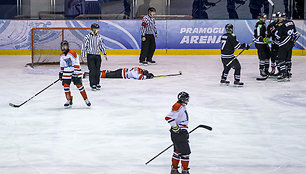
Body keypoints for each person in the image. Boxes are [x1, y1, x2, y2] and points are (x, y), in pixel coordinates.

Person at [59, 40, 91, 108]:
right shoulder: (62, 55)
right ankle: (69, 100)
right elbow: (62, 65)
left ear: (68, 46)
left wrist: (74, 73)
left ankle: (86, 100)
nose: (64, 48)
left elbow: (75, 64)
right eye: (63, 46)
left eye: (65, 46)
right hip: (67, 72)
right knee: (66, 86)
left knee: (79, 86)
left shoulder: (72, 53)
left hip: (75, 72)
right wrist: (61, 73)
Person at [165, 92, 191, 174]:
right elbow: (168, 117)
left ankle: (174, 170)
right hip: (179, 133)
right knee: (185, 152)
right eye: (186, 98)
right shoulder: (178, 106)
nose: (187, 100)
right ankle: (184, 171)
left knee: (177, 151)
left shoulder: (181, 106)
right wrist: (176, 129)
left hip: (179, 132)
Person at [82, 23, 108, 90]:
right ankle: (92, 84)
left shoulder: (99, 37)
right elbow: (84, 46)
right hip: (90, 55)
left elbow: (101, 45)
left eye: (98, 29)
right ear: (93, 29)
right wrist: (84, 55)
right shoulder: (87, 37)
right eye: (96, 29)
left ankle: (97, 83)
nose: (97, 30)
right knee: (92, 70)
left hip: (97, 56)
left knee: (97, 70)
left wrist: (104, 53)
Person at [274, 12, 297, 81]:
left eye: (280, 17)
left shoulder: (281, 25)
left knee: (281, 58)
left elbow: (278, 36)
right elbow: (295, 33)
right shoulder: (291, 22)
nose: (279, 19)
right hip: (290, 43)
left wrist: (275, 41)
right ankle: (288, 72)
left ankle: (283, 73)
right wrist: (292, 41)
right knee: (288, 59)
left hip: (283, 44)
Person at [254, 13, 271, 77]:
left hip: (264, 44)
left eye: (264, 18)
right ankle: (261, 71)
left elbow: (265, 33)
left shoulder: (264, 24)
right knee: (262, 58)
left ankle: (266, 70)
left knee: (267, 56)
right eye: (262, 18)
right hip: (260, 44)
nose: (264, 19)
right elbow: (258, 36)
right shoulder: (259, 25)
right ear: (260, 18)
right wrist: (265, 40)